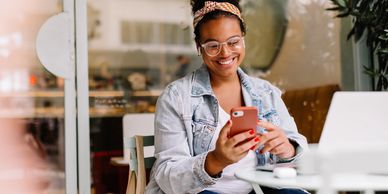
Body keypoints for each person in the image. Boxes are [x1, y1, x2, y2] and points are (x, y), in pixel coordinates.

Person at [145, 0, 308, 193]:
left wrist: (288, 149)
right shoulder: (176, 97)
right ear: (199, 46)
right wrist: (215, 161)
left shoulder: (266, 92)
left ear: (243, 39)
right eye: (213, 45)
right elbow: (166, 175)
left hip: (260, 189)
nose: (225, 53)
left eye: (233, 42)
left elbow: (302, 159)